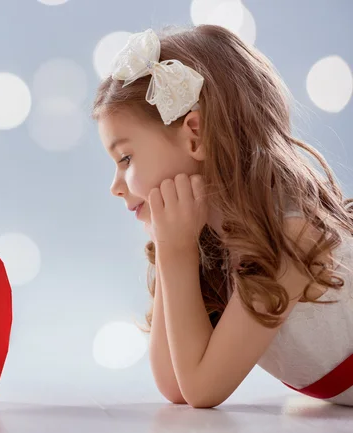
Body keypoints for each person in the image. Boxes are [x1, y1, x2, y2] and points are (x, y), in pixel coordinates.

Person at [92, 25, 353, 408]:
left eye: (126, 158)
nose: (115, 186)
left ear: (194, 135)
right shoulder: (213, 241)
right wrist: (172, 247)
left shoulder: (291, 238)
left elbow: (203, 390)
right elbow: (176, 386)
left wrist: (177, 250)